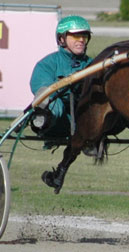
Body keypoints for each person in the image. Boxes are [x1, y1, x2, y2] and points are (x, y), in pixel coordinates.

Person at [29, 15, 93, 192]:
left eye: (84, 36)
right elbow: (42, 90)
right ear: (61, 39)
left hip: (82, 122)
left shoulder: (92, 65)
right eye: (75, 36)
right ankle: (42, 120)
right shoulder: (47, 64)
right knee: (50, 103)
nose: (81, 40)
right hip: (56, 121)